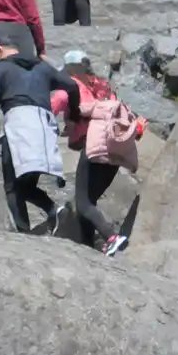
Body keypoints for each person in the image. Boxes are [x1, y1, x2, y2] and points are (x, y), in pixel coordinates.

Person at [0, 40, 78, 233]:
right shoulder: (43, 67)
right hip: (43, 128)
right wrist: (74, 115)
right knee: (25, 184)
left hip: (18, 125)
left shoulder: (1, 68)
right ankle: (55, 210)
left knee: (12, 187)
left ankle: (24, 234)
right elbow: (72, 86)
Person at [53, 51, 131, 255]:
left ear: (71, 68)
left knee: (83, 202)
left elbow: (58, 100)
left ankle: (111, 237)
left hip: (93, 147)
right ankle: (88, 249)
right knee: (88, 202)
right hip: (113, 150)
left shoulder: (71, 85)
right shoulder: (103, 87)